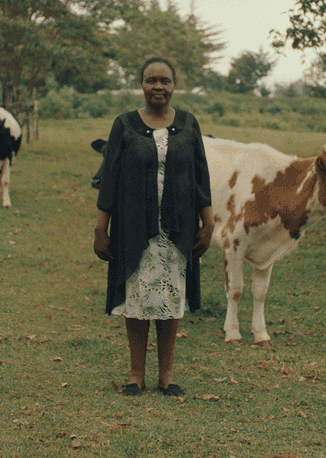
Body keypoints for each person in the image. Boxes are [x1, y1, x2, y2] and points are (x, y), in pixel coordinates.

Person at [93, 57, 214, 397]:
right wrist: (101, 228)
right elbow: (110, 181)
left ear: (174, 86)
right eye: (151, 80)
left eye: (165, 81)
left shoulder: (189, 125)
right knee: (137, 298)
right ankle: (135, 374)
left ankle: (167, 374)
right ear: (141, 85)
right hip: (134, 228)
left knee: (170, 300)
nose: (158, 87)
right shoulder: (124, 125)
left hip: (177, 228)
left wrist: (208, 224)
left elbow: (201, 176)